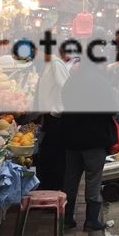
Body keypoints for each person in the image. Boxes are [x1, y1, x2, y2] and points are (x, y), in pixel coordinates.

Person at [60, 55, 118, 231]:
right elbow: (112, 109)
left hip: (72, 138)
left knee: (70, 178)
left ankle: (67, 218)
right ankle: (91, 220)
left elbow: (64, 102)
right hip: (95, 139)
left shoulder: (71, 81)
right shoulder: (100, 83)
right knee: (93, 179)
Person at [34, 42, 71, 191]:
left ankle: (54, 189)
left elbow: (66, 88)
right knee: (47, 156)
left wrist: (59, 111)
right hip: (50, 117)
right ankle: (48, 188)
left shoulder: (56, 64)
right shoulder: (47, 65)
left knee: (53, 156)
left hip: (57, 118)